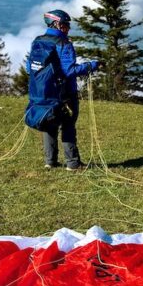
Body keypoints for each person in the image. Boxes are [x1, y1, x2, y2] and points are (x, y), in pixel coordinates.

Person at [27, 10, 98, 171]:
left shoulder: (38, 41)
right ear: (57, 24)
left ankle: (50, 161)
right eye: (66, 24)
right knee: (68, 125)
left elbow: (28, 67)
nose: (68, 28)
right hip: (65, 93)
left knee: (49, 124)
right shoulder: (63, 43)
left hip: (44, 92)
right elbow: (69, 71)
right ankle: (73, 163)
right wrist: (91, 66)